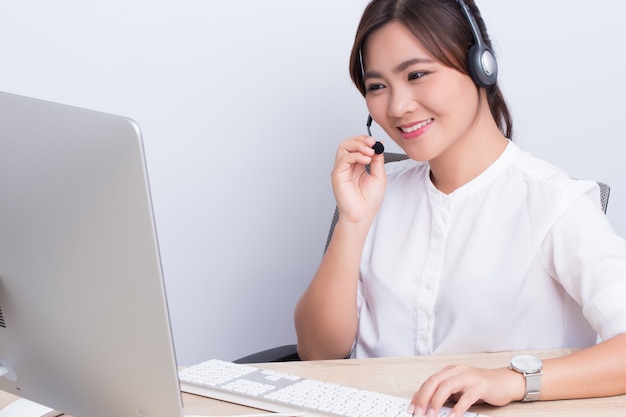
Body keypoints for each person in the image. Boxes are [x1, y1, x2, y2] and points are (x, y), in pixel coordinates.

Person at [293, 0, 626, 416]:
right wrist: (354, 221)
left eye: (417, 75)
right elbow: (317, 351)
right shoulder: (378, 193)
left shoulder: (555, 203)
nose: (396, 107)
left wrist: (511, 381)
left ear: (481, 65)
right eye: (377, 86)